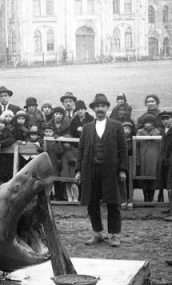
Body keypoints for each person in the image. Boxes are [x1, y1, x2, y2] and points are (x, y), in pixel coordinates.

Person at [75, 94, 128, 248]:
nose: (100, 109)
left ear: (107, 108)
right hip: (90, 171)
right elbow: (81, 150)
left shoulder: (116, 126)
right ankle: (98, 233)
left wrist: (123, 169)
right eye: (97, 107)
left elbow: (123, 150)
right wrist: (78, 171)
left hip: (110, 171)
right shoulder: (87, 128)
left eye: (102, 106)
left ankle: (115, 235)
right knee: (92, 204)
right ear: (93, 109)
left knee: (113, 203)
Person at [136, 114, 161, 202]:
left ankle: (151, 198)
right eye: (146, 122)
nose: (148, 124)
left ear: (153, 123)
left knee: (153, 180)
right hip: (143, 159)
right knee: (144, 179)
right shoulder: (139, 132)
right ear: (143, 124)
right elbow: (137, 146)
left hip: (153, 161)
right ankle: (145, 198)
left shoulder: (157, 133)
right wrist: (137, 160)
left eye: (150, 122)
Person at [156, 111, 172, 216]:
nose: (165, 121)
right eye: (163, 119)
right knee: (168, 185)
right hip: (165, 162)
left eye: (167, 118)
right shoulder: (164, 131)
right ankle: (170, 208)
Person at [59, 135, 79, 202]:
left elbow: (78, 160)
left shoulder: (75, 151)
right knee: (67, 184)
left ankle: (76, 198)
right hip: (65, 169)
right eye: (65, 143)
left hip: (73, 169)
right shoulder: (62, 151)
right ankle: (69, 198)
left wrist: (74, 161)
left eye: (68, 142)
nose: (66, 144)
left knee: (74, 184)